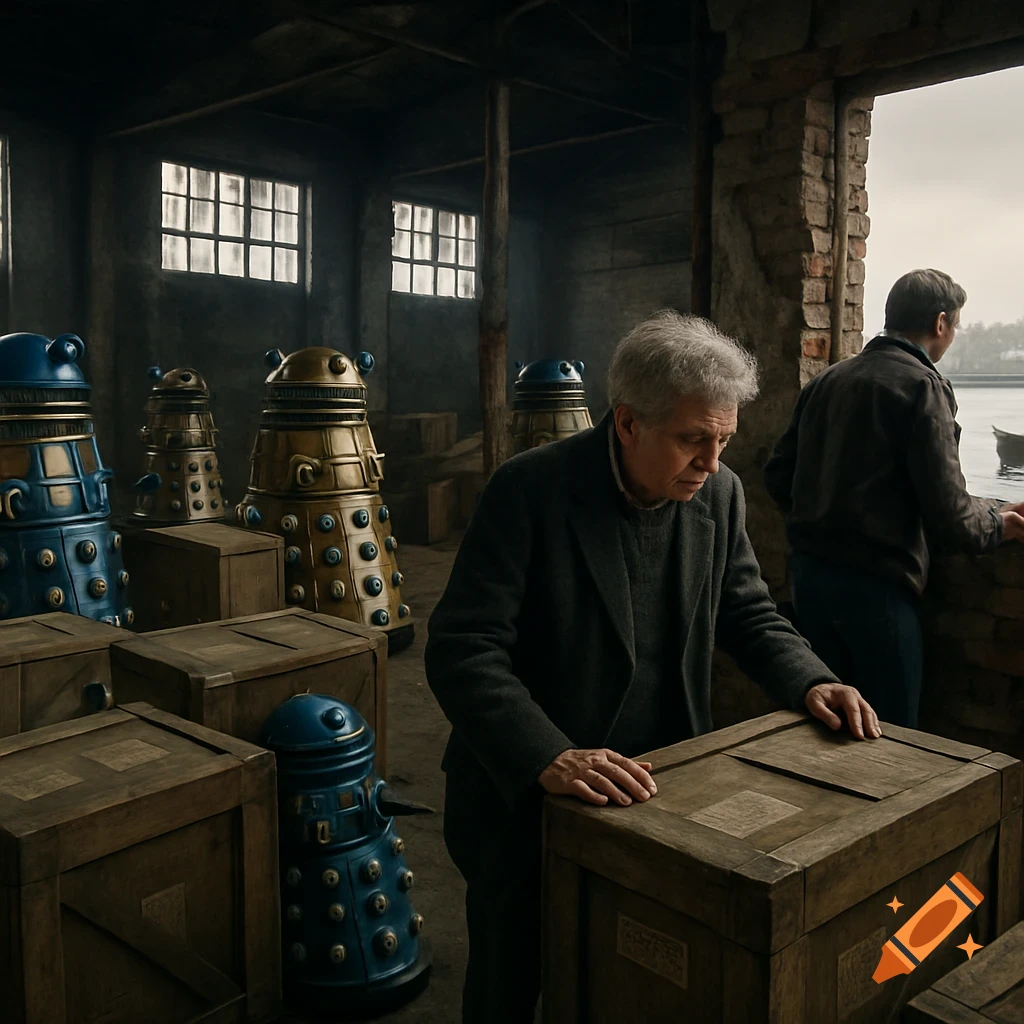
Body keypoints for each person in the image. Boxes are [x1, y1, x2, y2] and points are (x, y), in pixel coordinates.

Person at [425, 309, 881, 1024]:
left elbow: (747, 610)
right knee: (510, 980)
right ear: (628, 422)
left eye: (723, 440)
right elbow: (462, 649)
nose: (711, 462)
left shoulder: (719, 494)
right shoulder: (528, 490)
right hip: (526, 800)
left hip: (660, 790)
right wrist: (548, 753)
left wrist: (812, 678)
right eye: (693, 440)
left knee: (630, 976)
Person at [764, 268, 1024, 730]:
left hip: (810, 580)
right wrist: (999, 523)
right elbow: (949, 514)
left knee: (818, 725)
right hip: (876, 591)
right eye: (956, 326)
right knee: (889, 737)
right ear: (940, 323)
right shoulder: (924, 386)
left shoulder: (828, 380)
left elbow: (779, 476)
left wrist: (824, 515)